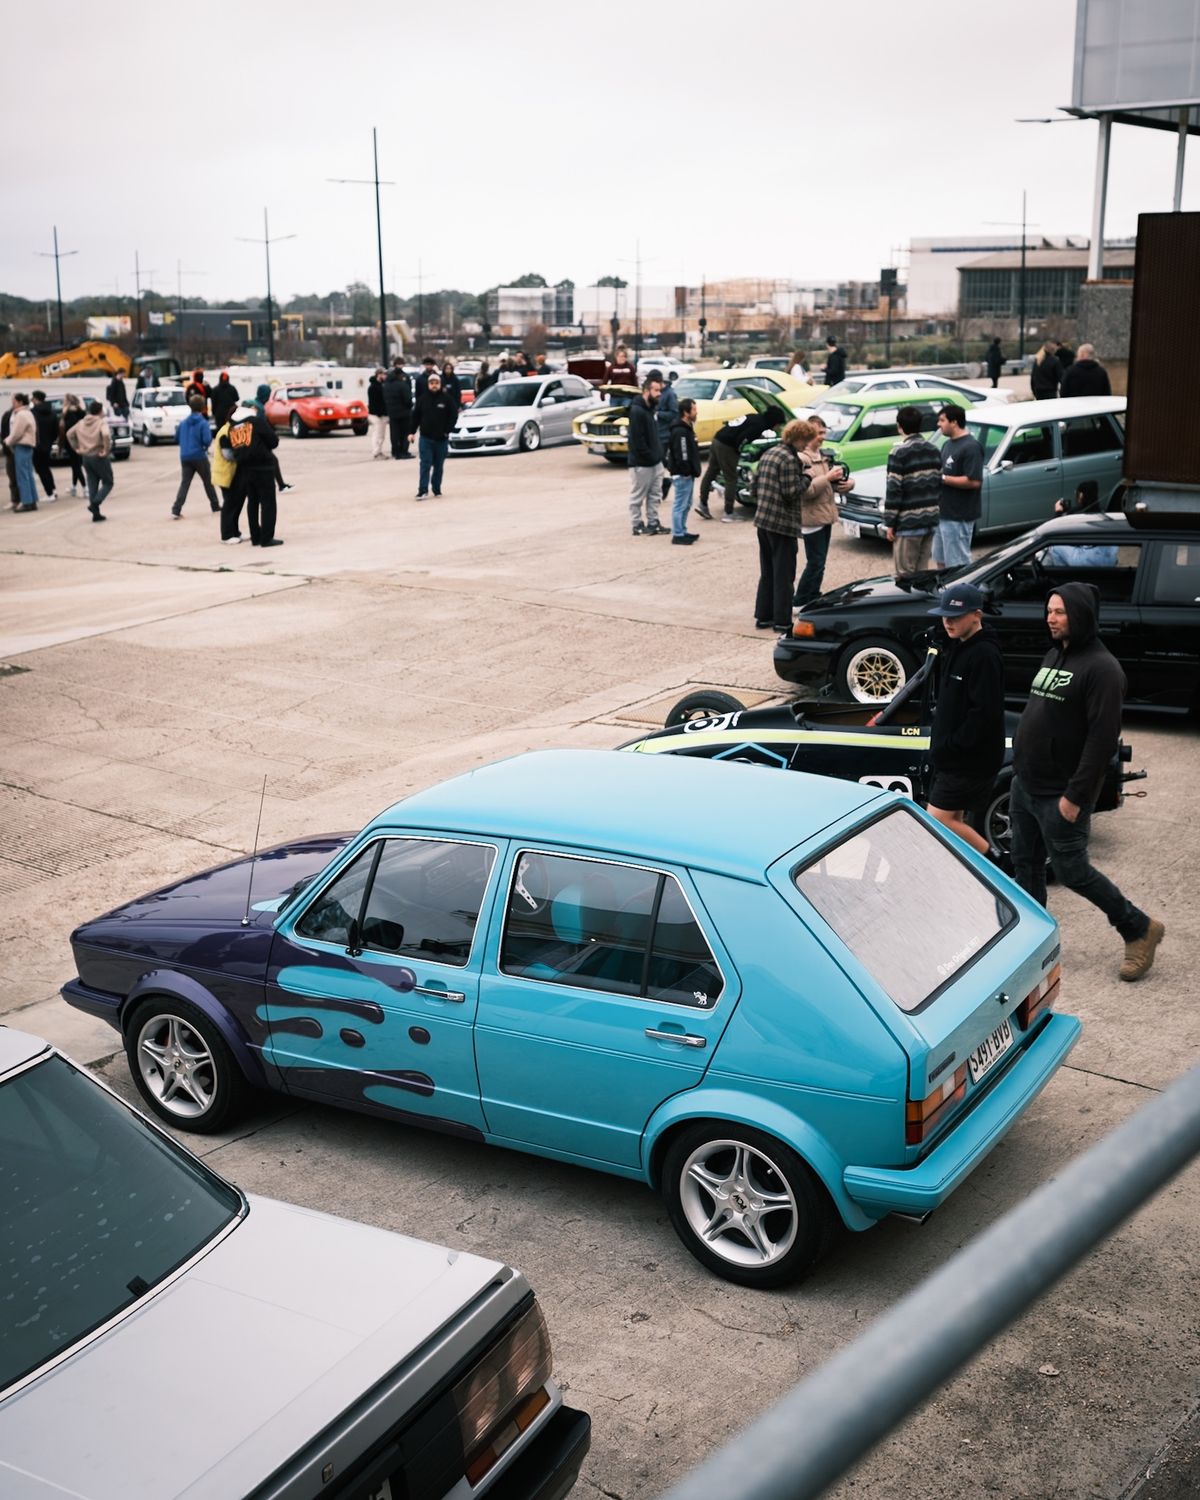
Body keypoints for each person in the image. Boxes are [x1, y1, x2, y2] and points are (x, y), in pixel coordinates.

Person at [1011, 584, 1164, 981]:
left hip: (1060, 794)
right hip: (1026, 784)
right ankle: (1033, 940)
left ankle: (1139, 928)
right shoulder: (1054, 654)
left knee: (1072, 871)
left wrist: (1076, 795)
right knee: (1025, 864)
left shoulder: (1103, 670)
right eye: (1049, 610)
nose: (1050, 618)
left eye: (1059, 612)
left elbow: (1101, 741)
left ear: (1079, 615)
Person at [923, 582, 1006, 857]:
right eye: (945, 615)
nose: (948, 622)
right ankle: (973, 872)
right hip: (955, 758)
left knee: (937, 819)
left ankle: (998, 865)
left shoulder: (984, 655)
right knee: (953, 820)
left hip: (966, 761)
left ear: (976, 615)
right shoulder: (960, 644)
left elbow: (985, 714)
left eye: (955, 616)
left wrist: (951, 746)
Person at [753, 419, 812, 631]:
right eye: (805, 441)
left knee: (767, 571)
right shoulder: (789, 459)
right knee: (784, 574)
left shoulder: (769, 453)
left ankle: (763, 616)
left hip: (763, 522)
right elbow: (791, 492)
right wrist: (807, 477)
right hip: (782, 524)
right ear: (797, 438)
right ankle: (782, 621)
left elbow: (754, 486)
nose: (806, 445)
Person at [793, 418, 851, 607]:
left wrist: (847, 484)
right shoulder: (802, 458)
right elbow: (806, 492)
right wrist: (827, 477)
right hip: (811, 518)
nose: (823, 438)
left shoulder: (823, 456)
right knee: (815, 562)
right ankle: (801, 599)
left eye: (825, 433)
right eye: (820, 434)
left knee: (820, 562)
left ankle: (813, 595)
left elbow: (828, 487)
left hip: (825, 515)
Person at [883, 405, 941, 579]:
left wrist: (890, 523)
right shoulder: (934, 450)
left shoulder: (898, 453)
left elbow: (894, 490)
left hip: (908, 523)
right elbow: (939, 483)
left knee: (904, 575)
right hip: (930, 519)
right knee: (923, 573)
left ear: (899, 426)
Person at [697, 406, 781, 521]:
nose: (778, 427)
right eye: (778, 424)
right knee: (731, 478)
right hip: (727, 445)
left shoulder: (754, 417)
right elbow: (742, 439)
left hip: (717, 439)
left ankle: (703, 504)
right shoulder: (759, 425)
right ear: (774, 421)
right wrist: (737, 452)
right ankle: (729, 513)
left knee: (711, 471)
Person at [227, 384, 282, 546]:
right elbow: (273, 441)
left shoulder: (233, 426)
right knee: (268, 503)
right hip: (263, 466)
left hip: (245, 469)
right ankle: (266, 537)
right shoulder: (255, 421)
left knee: (252, 503)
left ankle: (256, 536)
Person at [933, 404, 983, 569]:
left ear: (954, 422)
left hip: (959, 516)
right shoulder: (947, 444)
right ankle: (943, 593)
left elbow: (974, 481)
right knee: (940, 560)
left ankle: (960, 594)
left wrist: (944, 478)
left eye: (942, 420)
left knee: (958, 565)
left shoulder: (971, 447)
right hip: (943, 513)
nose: (938, 424)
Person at [626, 374, 666, 535]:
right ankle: (637, 524)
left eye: (660, 390)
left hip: (655, 462)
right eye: (656, 390)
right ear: (646, 390)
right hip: (641, 464)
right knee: (638, 496)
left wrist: (659, 456)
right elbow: (637, 440)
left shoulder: (650, 409)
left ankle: (653, 522)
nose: (659, 394)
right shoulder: (637, 411)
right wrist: (649, 456)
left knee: (655, 495)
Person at [1046, 480, 1118, 567]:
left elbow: (1052, 530)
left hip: (1088, 560)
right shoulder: (1103, 514)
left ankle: (1063, 575)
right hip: (1108, 560)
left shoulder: (1076, 515)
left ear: (1081, 495)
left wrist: (1058, 512)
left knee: (1053, 547)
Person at [172, 395, 221, 518]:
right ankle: (215, 505)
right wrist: (203, 446)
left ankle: (176, 509)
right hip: (199, 455)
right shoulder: (203, 423)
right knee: (208, 481)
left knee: (185, 483)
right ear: (202, 407)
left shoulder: (183, 423)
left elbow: (176, 438)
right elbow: (207, 440)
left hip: (185, 456)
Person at [411, 371, 456, 499]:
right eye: (431, 383)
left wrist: (447, 430)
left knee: (438, 465)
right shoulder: (422, 399)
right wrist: (411, 432)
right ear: (428, 384)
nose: (434, 385)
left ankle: (436, 489)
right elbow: (415, 417)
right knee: (425, 463)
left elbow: (453, 416)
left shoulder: (447, 399)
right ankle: (422, 490)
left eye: (436, 383)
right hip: (426, 438)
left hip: (441, 439)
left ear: (440, 384)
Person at [67, 401, 114, 521]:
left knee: (92, 484)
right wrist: (106, 449)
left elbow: (69, 434)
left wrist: (76, 447)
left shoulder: (81, 422)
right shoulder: (100, 422)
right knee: (108, 482)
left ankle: (96, 514)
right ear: (100, 412)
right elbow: (106, 434)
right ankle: (95, 504)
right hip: (98, 456)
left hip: (86, 457)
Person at [665, 397, 701, 545]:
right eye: (693, 409)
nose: (696, 412)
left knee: (686, 504)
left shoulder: (686, 428)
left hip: (687, 473)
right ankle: (678, 534)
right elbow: (683, 453)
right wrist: (686, 471)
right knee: (680, 504)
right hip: (683, 474)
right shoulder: (680, 431)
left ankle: (682, 530)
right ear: (686, 412)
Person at [5, 393, 39, 511]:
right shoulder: (29, 413)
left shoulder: (20, 415)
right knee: (28, 474)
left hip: (21, 446)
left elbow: (16, 432)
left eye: (14, 401)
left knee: (22, 476)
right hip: (28, 446)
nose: (12, 404)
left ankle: (26, 502)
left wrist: (7, 441)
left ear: (20, 402)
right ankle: (32, 500)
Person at [211, 412, 242, 543]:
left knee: (235, 502)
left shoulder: (232, 429)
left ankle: (235, 531)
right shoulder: (225, 432)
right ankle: (226, 535)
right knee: (229, 503)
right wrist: (242, 455)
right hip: (224, 473)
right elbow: (228, 454)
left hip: (229, 473)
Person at [650, 368, 679, 502]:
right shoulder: (655, 393)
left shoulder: (669, 394)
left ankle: (667, 480)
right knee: (658, 461)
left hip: (665, 434)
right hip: (655, 432)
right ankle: (666, 480)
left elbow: (674, 413)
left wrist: (659, 414)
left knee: (659, 460)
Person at [30, 391, 59, 503]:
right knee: (46, 468)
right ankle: (53, 490)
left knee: (40, 469)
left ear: (36, 399)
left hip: (36, 445)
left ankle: (49, 493)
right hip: (47, 445)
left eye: (33, 398)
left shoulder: (33, 412)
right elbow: (55, 430)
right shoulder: (52, 412)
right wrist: (50, 441)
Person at [382, 360, 413, 459]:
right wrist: (409, 407)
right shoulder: (402, 385)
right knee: (405, 433)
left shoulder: (386, 385)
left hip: (392, 413)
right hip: (404, 413)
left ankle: (395, 451)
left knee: (394, 433)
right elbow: (408, 399)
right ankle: (404, 451)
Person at [59, 393, 87, 497]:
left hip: (72, 443)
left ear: (67, 401)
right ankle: (74, 487)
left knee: (76, 466)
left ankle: (85, 488)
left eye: (64, 400)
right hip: (80, 442)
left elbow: (69, 431)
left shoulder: (68, 414)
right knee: (75, 465)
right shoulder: (79, 412)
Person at [367, 368, 388, 458]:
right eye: (384, 374)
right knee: (378, 434)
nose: (385, 376)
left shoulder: (380, 385)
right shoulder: (374, 387)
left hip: (380, 414)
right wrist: (380, 413)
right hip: (377, 415)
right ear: (379, 375)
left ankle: (378, 451)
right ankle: (376, 452)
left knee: (381, 435)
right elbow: (375, 402)